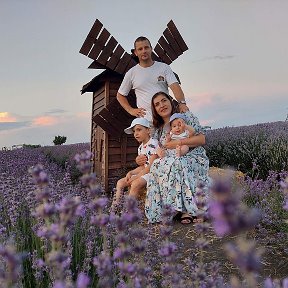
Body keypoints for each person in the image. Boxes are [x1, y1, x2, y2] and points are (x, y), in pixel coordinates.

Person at [144, 92, 210, 224]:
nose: (161, 105)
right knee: (158, 165)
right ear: (155, 110)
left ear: (170, 101)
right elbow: (157, 152)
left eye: (164, 100)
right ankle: (168, 209)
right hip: (170, 157)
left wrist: (175, 144)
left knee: (179, 162)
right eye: (157, 104)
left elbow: (202, 139)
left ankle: (188, 210)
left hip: (192, 154)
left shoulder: (186, 117)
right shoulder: (158, 130)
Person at [116, 36, 189, 121]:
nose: (144, 51)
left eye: (146, 47)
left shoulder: (164, 67)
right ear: (136, 52)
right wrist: (131, 110)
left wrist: (182, 103)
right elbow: (120, 95)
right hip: (146, 121)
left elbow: (175, 86)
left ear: (151, 49)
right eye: (140, 49)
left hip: (166, 118)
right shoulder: (131, 73)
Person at [112, 117, 159, 210]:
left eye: (139, 130)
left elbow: (150, 166)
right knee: (120, 182)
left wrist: (136, 177)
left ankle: (128, 211)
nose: (136, 133)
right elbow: (142, 166)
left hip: (153, 173)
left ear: (148, 130)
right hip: (144, 172)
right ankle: (115, 207)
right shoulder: (141, 148)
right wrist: (131, 173)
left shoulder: (154, 143)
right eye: (134, 131)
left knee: (135, 184)